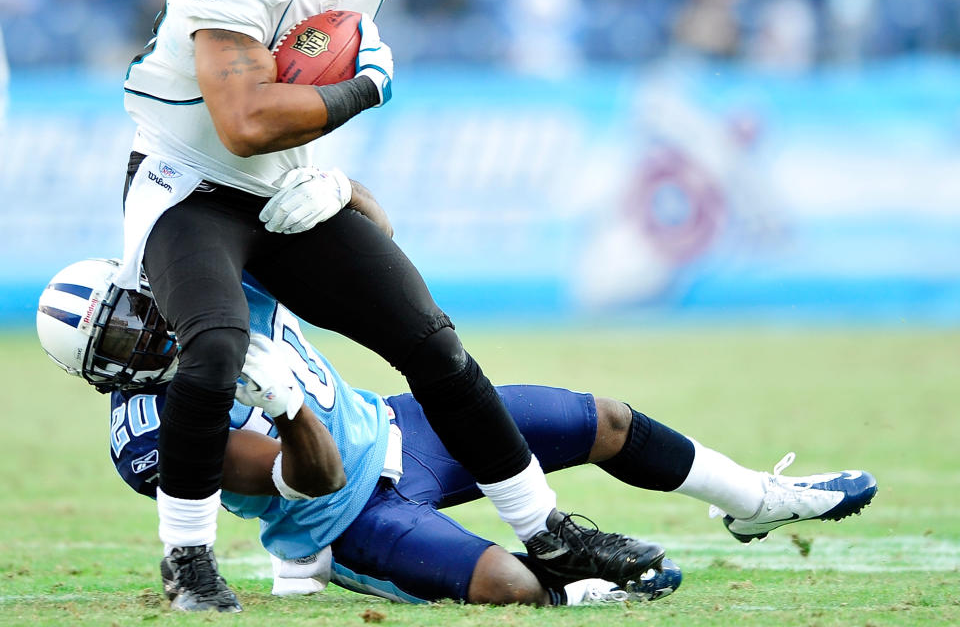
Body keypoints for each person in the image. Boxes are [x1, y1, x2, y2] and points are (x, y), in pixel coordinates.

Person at [117, 0, 722, 612]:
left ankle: (550, 531)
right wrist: (364, 85)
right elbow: (244, 121)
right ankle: (187, 559)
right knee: (216, 347)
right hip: (189, 185)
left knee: (430, 343)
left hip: (286, 185)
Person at [37, 257, 877, 609]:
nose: (147, 335)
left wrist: (325, 192)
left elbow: (347, 224)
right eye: (119, 343)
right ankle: (576, 591)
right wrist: (286, 402)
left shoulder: (211, 277)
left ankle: (758, 500)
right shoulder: (151, 436)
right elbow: (313, 480)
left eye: (138, 313)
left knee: (607, 421)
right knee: (510, 588)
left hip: (403, 426)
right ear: (101, 373)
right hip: (344, 517)